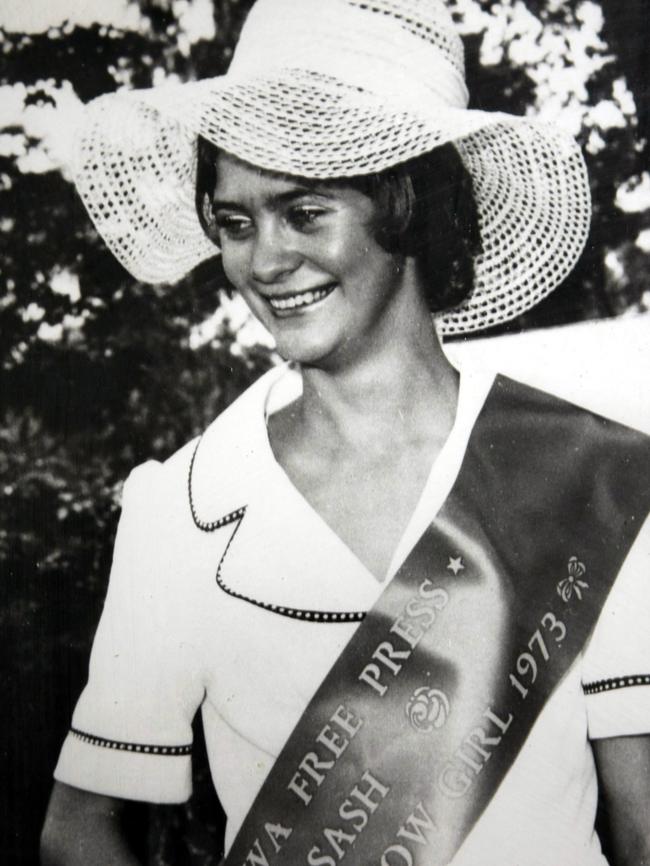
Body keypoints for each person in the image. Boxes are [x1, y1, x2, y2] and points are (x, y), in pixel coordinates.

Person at [40, 1, 650, 865]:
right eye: (237, 222)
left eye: (305, 212)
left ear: (408, 207)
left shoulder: (589, 476)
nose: (262, 263)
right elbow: (80, 829)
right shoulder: (185, 509)